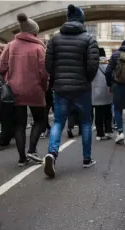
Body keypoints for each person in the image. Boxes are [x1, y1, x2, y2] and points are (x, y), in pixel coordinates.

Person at [44, 4, 99, 177]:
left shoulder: (54, 39)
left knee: (59, 122)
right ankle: (86, 159)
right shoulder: (89, 39)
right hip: (81, 87)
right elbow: (93, 66)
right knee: (85, 122)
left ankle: (52, 153)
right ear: (82, 20)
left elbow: (48, 65)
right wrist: (86, 80)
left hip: (60, 87)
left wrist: (57, 77)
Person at [0, 13, 48, 166]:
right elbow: (44, 72)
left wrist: (8, 78)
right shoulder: (39, 48)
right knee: (40, 120)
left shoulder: (10, 46)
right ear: (34, 31)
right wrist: (44, 86)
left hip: (14, 89)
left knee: (19, 124)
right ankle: (32, 150)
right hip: (35, 89)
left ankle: (21, 158)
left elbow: (2, 67)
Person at [92, 48, 113, 140]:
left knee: (98, 113)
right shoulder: (109, 64)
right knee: (108, 112)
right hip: (108, 90)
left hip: (96, 91)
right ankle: (108, 131)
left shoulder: (94, 65)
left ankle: (99, 133)